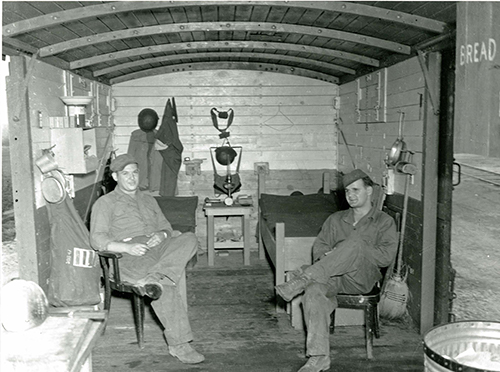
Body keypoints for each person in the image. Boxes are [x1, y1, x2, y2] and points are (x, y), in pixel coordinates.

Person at [275, 169, 398, 372]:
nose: (350, 195)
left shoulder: (384, 222)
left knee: (355, 244)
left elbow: (385, 258)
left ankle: (303, 278)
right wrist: (330, 256)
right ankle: (319, 357)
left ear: (369, 191)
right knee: (314, 291)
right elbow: (320, 247)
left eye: (356, 190)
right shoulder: (336, 219)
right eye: (347, 191)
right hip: (332, 275)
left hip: (362, 278)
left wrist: (354, 251)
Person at [90, 153, 204, 364]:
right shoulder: (105, 203)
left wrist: (161, 235)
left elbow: (166, 228)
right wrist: (128, 247)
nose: (132, 178)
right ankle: (179, 345)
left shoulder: (148, 199)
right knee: (167, 284)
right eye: (125, 174)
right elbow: (97, 240)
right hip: (127, 257)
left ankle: (156, 277)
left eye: (135, 172)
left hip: (157, 251)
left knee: (189, 239)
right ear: (115, 177)